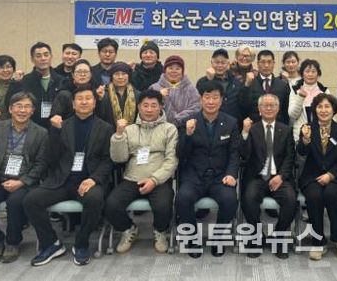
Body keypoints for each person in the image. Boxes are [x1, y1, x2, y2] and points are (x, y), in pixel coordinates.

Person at [23, 87, 114, 266]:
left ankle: (81, 243)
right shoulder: (62, 126)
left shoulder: (105, 128)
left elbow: (108, 160)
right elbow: (51, 158)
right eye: (80, 99)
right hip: (62, 180)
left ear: (94, 103)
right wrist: (55, 132)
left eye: (88, 98)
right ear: (73, 104)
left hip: (89, 180)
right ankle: (51, 243)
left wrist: (94, 179)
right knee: (31, 200)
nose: (84, 102)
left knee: (94, 199)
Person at [0, 92, 48, 263]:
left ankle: (13, 242)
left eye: (27, 106)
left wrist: (22, 181)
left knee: (15, 202)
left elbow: (41, 164)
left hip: (23, 181)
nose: (22, 110)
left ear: (33, 110)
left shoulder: (41, 132)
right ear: (10, 109)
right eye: (18, 106)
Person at [106, 89, 178, 254]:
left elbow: (171, 160)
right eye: (145, 105)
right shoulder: (129, 129)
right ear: (139, 107)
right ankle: (129, 229)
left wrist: (154, 180)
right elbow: (119, 158)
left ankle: (160, 231)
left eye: (154, 105)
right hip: (132, 178)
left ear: (161, 107)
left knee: (163, 206)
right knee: (111, 204)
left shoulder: (170, 129)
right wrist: (118, 135)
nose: (149, 109)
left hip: (159, 179)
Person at [175, 80, 239, 258]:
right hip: (194, 176)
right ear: (201, 99)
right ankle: (192, 239)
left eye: (215, 97)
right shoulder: (189, 121)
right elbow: (181, 154)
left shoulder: (231, 123)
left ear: (221, 100)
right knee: (182, 199)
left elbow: (234, 153)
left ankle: (218, 238)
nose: (211, 101)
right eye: (207, 97)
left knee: (230, 200)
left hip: (220, 177)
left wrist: (231, 174)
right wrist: (187, 135)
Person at [240, 94, 296, 259]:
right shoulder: (253, 129)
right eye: (265, 105)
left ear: (278, 109)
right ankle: (256, 237)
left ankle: (278, 237)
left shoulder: (286, 130)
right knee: (249, 198)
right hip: (257, 177)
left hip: (279, 177)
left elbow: (290, 157)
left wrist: (281, 176)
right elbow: (244, 155)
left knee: (291, 200)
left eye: (272, 105)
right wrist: (244, 133)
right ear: (259, 109)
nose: (269, 108)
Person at [297, 94, 337, 261]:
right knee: (314, 196)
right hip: (311, 176)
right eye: (320, 107)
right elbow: (301, 152)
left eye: (327, 106)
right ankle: (318, 241)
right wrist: (305, 140)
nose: (323, 110)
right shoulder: (307, 128)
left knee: (331, 194)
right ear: (315, 110)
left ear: (334, 109)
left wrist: (330, 175)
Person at [6, 42, 64, 130]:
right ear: (32, 59)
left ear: (51, 57)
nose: (43, 58)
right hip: (31, 129)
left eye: (46, 55)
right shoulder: (24, 81)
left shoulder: (62, 80)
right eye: (38, 56)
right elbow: (10, 103)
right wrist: (15, 83)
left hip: (56, 128)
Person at [238, 49, 290, 126]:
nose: (266, 65)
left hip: (277, 128)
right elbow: (243, 106)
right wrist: (246, 86)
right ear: (257, 64)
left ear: (273, 64)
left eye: (269, 62)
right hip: (254, 127)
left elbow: (285, 111)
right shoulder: (249, 83)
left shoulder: (282, 85)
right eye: (263, 62)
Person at [149, 55, 201, 125]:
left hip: (183, 127)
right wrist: (158, 96)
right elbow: (148, 109)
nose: (174, 71)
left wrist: (177, 119)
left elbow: (196, 107)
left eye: (177, 68)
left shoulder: (191, 89)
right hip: (159, 127)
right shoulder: (154, 88)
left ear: (182, 71)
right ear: (165, 70)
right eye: (170, 68)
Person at [196, 48, 242, 120]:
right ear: (211, 62)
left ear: (228, 64)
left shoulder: (236, 81)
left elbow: (242, 103)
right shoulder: (202, 81)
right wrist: (209, 80)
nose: (220, 65)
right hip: (210, 121)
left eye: (223, 63)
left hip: (233, 122)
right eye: (217, 62)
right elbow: (199, 102)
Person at [288, 59, 328, 139]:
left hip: (321, 135)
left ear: (318, 74)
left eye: (313, 71)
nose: (310, 74)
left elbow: (331, 114)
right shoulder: (295, 90)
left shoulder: (324, 91)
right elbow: (292, 115)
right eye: (307, 71)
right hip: (300, 134)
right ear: (302, 74)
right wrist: (300, 97)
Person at [100, 62, 139, 128]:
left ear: (129, 76)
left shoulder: (137, 95)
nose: (120, 77)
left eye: (124, 74)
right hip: (109, 131)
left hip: (132, 131)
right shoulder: (104, 94)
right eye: (117, 74)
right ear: (112, 76)